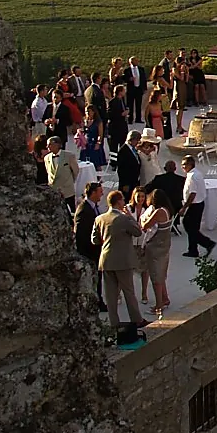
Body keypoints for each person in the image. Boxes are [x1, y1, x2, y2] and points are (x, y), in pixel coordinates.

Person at [93, 189, 145, 332]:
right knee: (128, 291)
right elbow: (138, 231)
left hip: (106, 260)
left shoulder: (99, 219)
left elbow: (94, 239)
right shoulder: (123, 218)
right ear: (119, 202)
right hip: (123, 260)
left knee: (110, 294)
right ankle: (136, 319)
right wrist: (129, 216)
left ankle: (114, 322)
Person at [137, 188, 172, 316]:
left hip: (155, 248)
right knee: (162, 273)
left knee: (156, 276)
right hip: (165, 246)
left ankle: (159, 305)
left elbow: (145, 226)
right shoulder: (168, 210)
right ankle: (165, 298)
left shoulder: (158, 212)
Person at [72, 182, 106, 312]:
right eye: (99, 192)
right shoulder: (83, 210)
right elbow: (81, 234)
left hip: (96, 250)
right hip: (89, 251)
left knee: (98, 277)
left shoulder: (93, 208)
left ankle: (98, 300)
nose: (102, 194)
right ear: (93, 193)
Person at [179, 156, 216, 259]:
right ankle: (193, 250)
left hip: (194, 205)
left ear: (190, 164)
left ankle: (207, 243)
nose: (182, 167)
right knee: (193, 228)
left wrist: (184, 208)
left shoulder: (192, 176)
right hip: (198, 204)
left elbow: (192, 194)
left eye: (184, 164)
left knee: (189, 226)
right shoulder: (196, 173)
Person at [44, 136, 78, 215]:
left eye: (50, 144)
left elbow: (75, 171)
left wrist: (69, 181)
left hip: (67, 189)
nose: (47, 147)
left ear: (57, 145)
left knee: (72, 211)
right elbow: (48, 172)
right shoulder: (46, 158)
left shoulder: (69, 156)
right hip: (54, 189)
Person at [114, 129, 143, 199]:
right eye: (137, 140)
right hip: (127, 183)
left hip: (134, 180)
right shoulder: (123, 151)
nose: (137, 143)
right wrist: (125, 184)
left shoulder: (133, 149)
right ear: (132, 139)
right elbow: (121, 169)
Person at [105, 84, 129, 153]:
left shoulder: (122, 100)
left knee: (123, 145)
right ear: (120, 92)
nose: (125, 92)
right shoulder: (113, 102)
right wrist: (121, 114)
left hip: (122, 126)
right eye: (124, 90)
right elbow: (110, 114)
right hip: (115, 128)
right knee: (114, 147)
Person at [125, 56, 147, 123]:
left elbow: (144, 79)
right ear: (131, 62)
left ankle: (138, 119)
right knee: (130, 105)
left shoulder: (141, 69)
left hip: (139, 89)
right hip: (131, 89)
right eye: (135, 61)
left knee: (138, 104)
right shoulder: (127, 70)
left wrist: (144, 88)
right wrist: (129, 79)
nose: (137, 62)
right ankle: (130, 119)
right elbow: (124, 78)